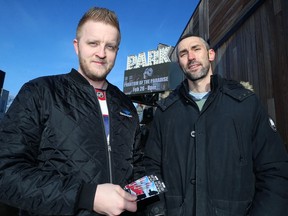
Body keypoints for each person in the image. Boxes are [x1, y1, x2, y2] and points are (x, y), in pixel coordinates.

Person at [0, 7, 144, 216]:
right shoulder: (40, 92)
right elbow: (5, 173)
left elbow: (137, 167)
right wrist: (87, 196)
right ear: (77, 46)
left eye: (110, 46)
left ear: (116, 51)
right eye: (93, 43)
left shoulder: (126, 106)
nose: (101, 53)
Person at [143, 34, 288, 215]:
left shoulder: (245, 103)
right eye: (183, 53)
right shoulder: (165, 112)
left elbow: (274, 171)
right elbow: (150, 169)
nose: (191, 57)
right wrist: (157, 210)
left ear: (210, 54)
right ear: (179, 62)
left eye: (196, 49)